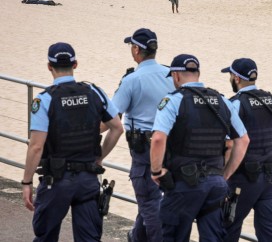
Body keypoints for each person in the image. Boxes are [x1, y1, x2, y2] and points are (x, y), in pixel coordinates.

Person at [22, 42, 124, 241]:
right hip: (88, 178)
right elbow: (117, 128)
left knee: (45, 235)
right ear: (75, 64)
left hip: (57, 181)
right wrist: (99, 157)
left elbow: (36, 146)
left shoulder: (44, 100)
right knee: (89, 237)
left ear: (49, 67)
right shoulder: (94, 92)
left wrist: (27, 182)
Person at [150, 54, 250, 241]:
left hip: (183, 184)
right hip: (215, 184)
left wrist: (156, 171)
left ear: (176, 76)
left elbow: (157, 139)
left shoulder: (173, 100)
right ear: (198, 74)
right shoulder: (222, 101)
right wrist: (225, 174)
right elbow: (242, 140)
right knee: (213, 237)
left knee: (172, 235)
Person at [220, 58, 272, 242]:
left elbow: (228, 145)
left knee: (226, 227)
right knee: (271, 230)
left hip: (242, 179)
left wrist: (223, 176)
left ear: (236, 78)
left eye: (230, 75)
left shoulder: (235, 104)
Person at [112, 28, 175, 242]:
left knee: (149, 202)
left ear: (137, 49)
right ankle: (136, 237)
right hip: (169, 146)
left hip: (143, 152)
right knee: (151, 201)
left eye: (132, 46)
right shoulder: (170, 75)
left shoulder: (132, 79)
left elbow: (112, 118)